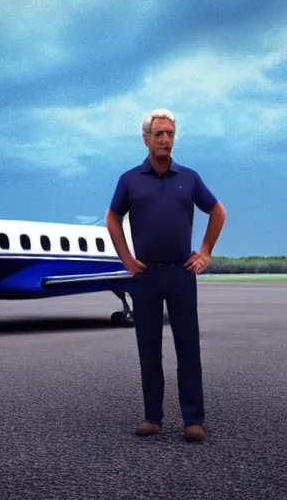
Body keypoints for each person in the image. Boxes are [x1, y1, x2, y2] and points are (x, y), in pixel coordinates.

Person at [105, 108, 226, 442]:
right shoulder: (130, 180)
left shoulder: (189, 178)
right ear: (145, 138)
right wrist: (127, 258)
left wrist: (204, 253)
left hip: (181, 276)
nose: (165, 140)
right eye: (158, 134)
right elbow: (112, 217)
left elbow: (217, 211)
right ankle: (152, 417)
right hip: (145, 277)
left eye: (170, 134)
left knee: (188, 347)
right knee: (149, 348)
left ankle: (193, 419)